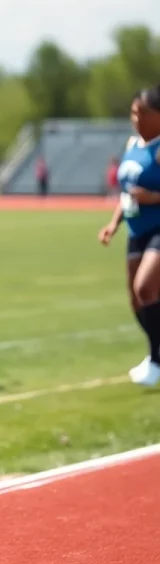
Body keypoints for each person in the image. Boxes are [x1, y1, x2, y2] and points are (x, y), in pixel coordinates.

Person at [99, 85, 160, 387]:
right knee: (137, 300)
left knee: (146, 287)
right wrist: (114, 223)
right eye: (134, 112)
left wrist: (153, 197)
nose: (136, 118)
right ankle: (157, 353)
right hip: (135, 228)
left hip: (158, 228)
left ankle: (155, 359)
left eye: (143, 113)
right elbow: (126, 193)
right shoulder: (131, 143)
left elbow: (145, 194)